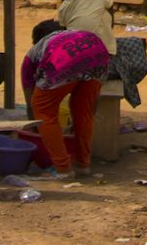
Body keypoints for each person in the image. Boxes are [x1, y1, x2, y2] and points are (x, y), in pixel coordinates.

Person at [21, 18, 111, 179]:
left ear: (36, 39)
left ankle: (63, 169)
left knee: (43, 111)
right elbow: (92, 105)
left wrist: (35, 125)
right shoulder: (75, 33)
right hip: (97, 52)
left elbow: (32, 104)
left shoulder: (35, 51)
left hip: (64, 61)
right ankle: (83, 164)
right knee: (83, 111)